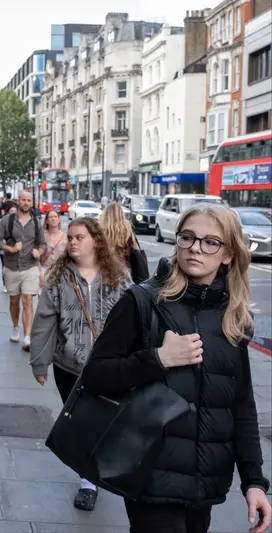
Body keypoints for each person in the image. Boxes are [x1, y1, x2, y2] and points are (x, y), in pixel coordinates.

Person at [82, 204, 271, 533]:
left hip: (206, 483)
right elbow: (95, 376)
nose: (196, 248)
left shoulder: (233, 315)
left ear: (228, 254)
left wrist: (254, 481)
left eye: (211, 242)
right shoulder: (141, 301)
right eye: (188, 237)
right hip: (150, 476)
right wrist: (158, 359)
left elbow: (241, 404)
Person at [29, 217, 132, 512]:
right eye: (70, 238)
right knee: (82, 424)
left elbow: (136, 318)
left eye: (79, 237)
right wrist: (39, 362)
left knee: (105, 422)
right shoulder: (58, 278)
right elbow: (44, 323)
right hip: (69, 366)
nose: (73, 242)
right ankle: (89, 482)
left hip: (110, 365)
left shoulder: (119, 277)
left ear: (96, 240)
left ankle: (103, 466)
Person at [0, 191, 46, 350]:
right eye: (24, 200)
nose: (26, 203)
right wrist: (10, 248)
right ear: (18, 201)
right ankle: (16, 327)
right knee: (14, 301)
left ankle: (27, 337)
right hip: (11, 267)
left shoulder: (36, 223)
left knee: (28, 300)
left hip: (30, 267)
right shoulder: (7, 221)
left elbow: (43, 244)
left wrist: (39, 252)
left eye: (29, 200)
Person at [100, 201, 138, 268]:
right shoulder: (127, 228)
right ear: (121, 214)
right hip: (124, 268)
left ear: (105, 213)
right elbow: (135, 249)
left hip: (104, 267)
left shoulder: (100, 228)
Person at [39, 209, 66, 287]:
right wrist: (40, 272)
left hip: (59, 270)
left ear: (59, 219)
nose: (53, 219)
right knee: (43, 296)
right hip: (44, 269)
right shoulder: (41, 235)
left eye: (55, 216)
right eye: (50, 217)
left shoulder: (65, 237)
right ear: (46, 221)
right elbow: (37, 257)